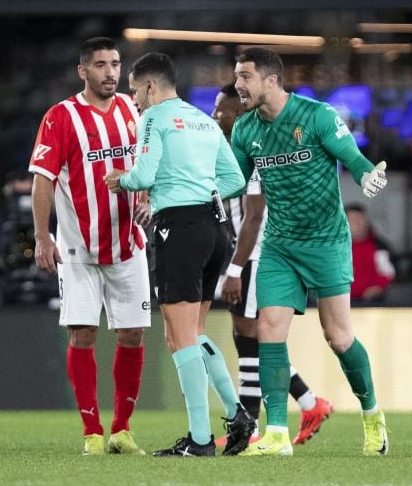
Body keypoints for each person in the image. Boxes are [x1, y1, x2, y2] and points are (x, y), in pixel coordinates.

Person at [229, 47, 389, 457]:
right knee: (268, 329)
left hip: (326, 243)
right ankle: (278, 433)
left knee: (337, 336)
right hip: (280, 245)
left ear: (270, 80)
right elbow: (232, 181)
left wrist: (367, 174)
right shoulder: (245, 130)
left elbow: (353, 158)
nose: (237, 85)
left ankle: (372, 414)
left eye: (245, 76)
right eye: (236, 76)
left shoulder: (317, 116)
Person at [104, 52, 252, 457]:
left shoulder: (153, 118)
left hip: (179, 230)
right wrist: (202, 190)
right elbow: (235, 178)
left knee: (181, 336)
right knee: (189, 333)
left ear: (150, 87)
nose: (133, 100)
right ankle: (237, 414)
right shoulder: (204, 120)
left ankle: (201, 439)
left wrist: (122, 180)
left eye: (134, 91)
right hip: (214, 230)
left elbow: (145, 175)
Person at [29, 37, 150, 457]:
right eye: (100, 65)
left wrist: (149, 199)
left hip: (129, 243)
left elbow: (150, 163)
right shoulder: (60, 117)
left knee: (132, 334)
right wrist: (43, 237)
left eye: (115, 63)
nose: (110, 72)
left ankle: (121, 429)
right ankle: (92, 432)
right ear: (83, 71)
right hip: (78, 249)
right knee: (83, 334)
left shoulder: (134, 111)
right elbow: (42, 178)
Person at [212, 83, 334, 447]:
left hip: (254, 254)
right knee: (248, 337)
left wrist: (234, 268)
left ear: (240, 113)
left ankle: (248, 427)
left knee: (254, 338)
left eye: (222, 109)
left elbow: (253, 217)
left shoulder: (253, 149)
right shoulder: (232, 150)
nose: (216, 115)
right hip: (242, 253)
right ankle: (309, 403)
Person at [345, 203, 396, 304]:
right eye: (353, 221)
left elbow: (388, 273)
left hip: (372, 301)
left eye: (361, 220)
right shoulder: (335, 248)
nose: (359, 224)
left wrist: (378, 287)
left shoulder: (379, 246)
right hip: (342, 302)